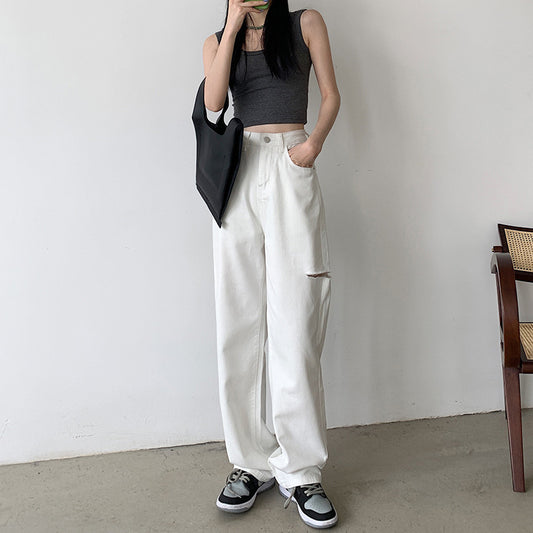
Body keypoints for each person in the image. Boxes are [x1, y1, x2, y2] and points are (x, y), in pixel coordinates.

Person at [202, 0, 341, 528]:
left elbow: (331, 95)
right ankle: (249, 463)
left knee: (296, 320)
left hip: (290, 163)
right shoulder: (217, 40)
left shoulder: (305, 23)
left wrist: (312, 145)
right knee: (237, 322)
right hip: (238, 171)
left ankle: (301, 471)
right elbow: (215, 103)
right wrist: (235, 23)